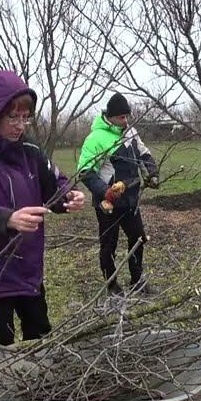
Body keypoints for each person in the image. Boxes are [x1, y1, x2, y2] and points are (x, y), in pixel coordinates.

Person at [0, 70, 86, 356]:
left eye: (26, 117)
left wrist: (68, 196)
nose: (21, 125)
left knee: (41, 342)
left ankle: (42, 398)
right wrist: (8, 219)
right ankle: (6, 399)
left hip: (28, 271)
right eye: (13, 117)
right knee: (1, 354)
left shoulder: (30, 150)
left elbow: (55, 184)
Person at [77, 92, 160, 296]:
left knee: (138, 238)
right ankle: (112, 285)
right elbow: (85, 171)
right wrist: (104, 192)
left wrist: (152, 172)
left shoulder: (130, 132)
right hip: (108, 203)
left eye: (127, 116)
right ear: (111, 117)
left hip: (131, 199)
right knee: (109, 245)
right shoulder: (95, 138)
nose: (125, 121)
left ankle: (137, 279)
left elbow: (143, 153)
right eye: (121, 117)